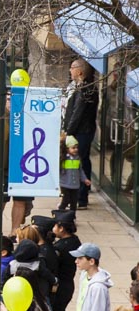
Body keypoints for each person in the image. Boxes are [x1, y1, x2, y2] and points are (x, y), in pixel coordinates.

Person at [65, 58, 100, 209]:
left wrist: (68, 131)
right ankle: (78, 194)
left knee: (79, 162)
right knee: (81, 160)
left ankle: (80, 196)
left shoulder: (86, 89)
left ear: (80, 71)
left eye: (72, 67)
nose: (69, 70)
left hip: (81, 132)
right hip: (81, 131)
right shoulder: (81, 87)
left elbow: (77, 113)